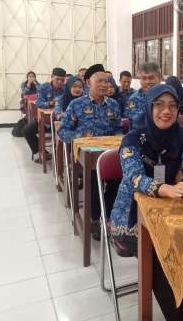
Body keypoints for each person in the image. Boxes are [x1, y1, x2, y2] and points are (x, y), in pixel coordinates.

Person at [110, 84, 183, 320]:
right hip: (132, 220)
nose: (167, 111)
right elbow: (134, 177)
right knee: (164, 257)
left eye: (173, 106)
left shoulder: (182, 136)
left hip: (170, 213)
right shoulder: (132, 139)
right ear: (149, 107)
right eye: (160, 105)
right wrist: (163, 188)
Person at [58, 64, 122, 239]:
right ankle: (94, 220)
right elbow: (63, 131)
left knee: (120, 178)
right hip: (85, 157)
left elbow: (118, 129)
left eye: (106, 81)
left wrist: (118, 140)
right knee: (94, 178)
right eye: (99, 81)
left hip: (108, 155)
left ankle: (108, 217)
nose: (104, 85)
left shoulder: (113, 105)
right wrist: (80, 140)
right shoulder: (76, 104)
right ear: (88, 83)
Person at [22, 67, 66, 162]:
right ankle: (41, 152)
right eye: (57, 79)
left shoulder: (66, 89)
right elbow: (39, 103)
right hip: (45, 120)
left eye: (62, 80)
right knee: (27, 130)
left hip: (59, 120)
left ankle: (61, 156)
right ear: (52, 77)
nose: (60, 82)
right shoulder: (44, 87)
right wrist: (50, 103)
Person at [124, 62, 161, 127]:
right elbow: (137, 121)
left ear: (159, 78)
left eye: (151, 78)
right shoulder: (134, 99)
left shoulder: (166, 96)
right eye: (144, 78)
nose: (147, 82)